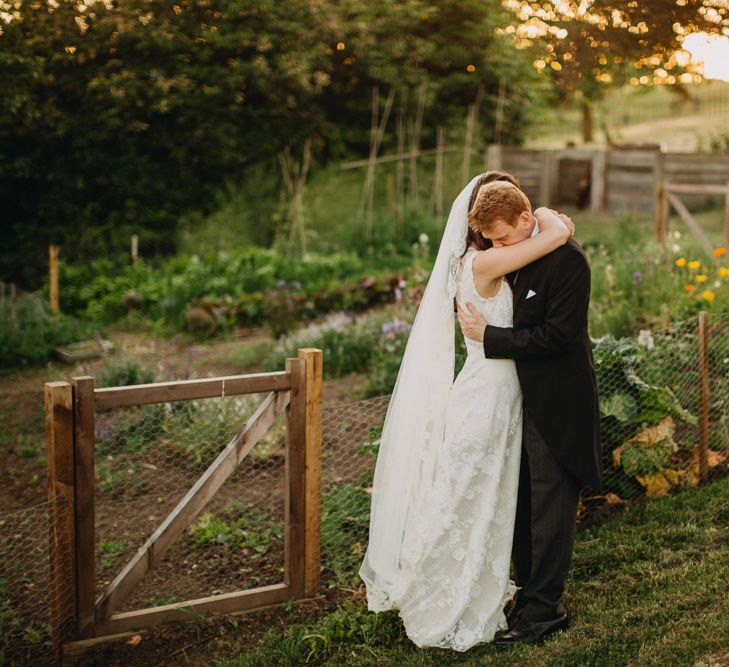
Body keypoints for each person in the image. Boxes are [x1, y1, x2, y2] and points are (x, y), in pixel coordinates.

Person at [358, 173, 572, 651]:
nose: (501, 239)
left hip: (487, 387)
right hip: (490, 395)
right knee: (470, 496)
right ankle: (445, 595)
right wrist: (548, 220)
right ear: (480, 229)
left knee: (475, 496)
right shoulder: (489, 262)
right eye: (494, 232)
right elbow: (554, 234)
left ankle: (467, 586)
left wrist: (536, 215)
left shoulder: (468, 261)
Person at [458, 176, 602, 647]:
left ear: (525, 221)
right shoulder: (522, 249)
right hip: (514, 404)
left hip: (556, 401)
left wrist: (490, 338)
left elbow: (558, 338)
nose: (497, 247)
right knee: (522, 508)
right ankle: (528, 598)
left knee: (550, 512)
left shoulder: (568, 261)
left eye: (502, 238)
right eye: (492, 242)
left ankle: (545, 614)